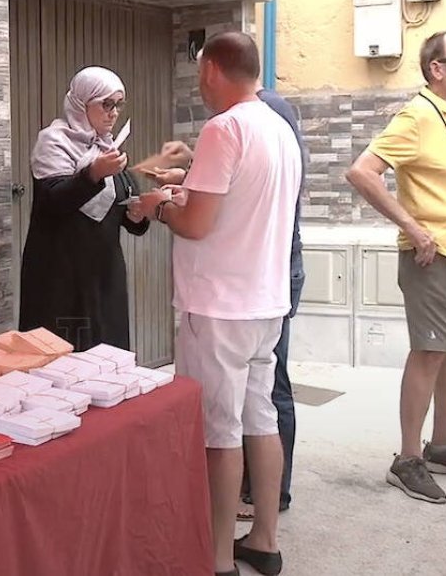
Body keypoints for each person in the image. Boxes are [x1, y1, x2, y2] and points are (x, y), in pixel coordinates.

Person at [135, 32, 301, 576]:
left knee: (218, 431)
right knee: (261, 418)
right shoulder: (278, 126)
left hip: (220, 305)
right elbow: (236, 201)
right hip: (266, 301)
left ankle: (216, 557)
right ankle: (265, 540)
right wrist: (184, 189)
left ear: (210, 71)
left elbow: (197, 224)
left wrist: (160, 206)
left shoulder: (224, 127)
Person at [345, 29, 446, 504]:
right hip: (431, 257)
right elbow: (361, 171)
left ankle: (444, 445)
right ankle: (408, 458)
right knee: (430, 352)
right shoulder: (417, 115)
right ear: (438, 68)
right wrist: (414, 229)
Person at [17, 67, 148, 352]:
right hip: (61, 275)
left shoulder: (107, 147)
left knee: (107, 359)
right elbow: (53, 201)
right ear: (81, 103)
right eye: (106, 104)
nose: (113, 113)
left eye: (117, 105)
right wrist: (91, 174)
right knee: (64, 361)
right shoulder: (53, 142)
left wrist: (136, 216)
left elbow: (123, 202)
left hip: (104, 275)